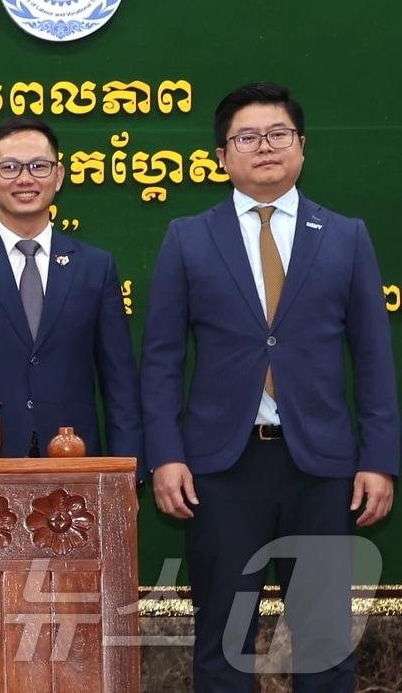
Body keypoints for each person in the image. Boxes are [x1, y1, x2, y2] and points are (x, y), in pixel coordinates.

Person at [141, 82, 398, 689]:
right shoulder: (187, 237)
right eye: (246, 137)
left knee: (324, 645)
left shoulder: (345, 235)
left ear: (302, 147)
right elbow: (160, 360)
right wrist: (166, 455)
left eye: (278, 134)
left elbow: (373, 358)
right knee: (224, 645)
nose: (264, 147)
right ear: (222, 155)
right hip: (220, 471)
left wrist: (380, 459)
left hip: (323, 468)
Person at [0, 116, 141, 461]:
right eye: (9, 167)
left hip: (75, 459)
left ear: (59, 176)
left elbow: (120, 382)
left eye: (39, 166)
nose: (25, 178)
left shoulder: (95, 267)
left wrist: (129, 470)